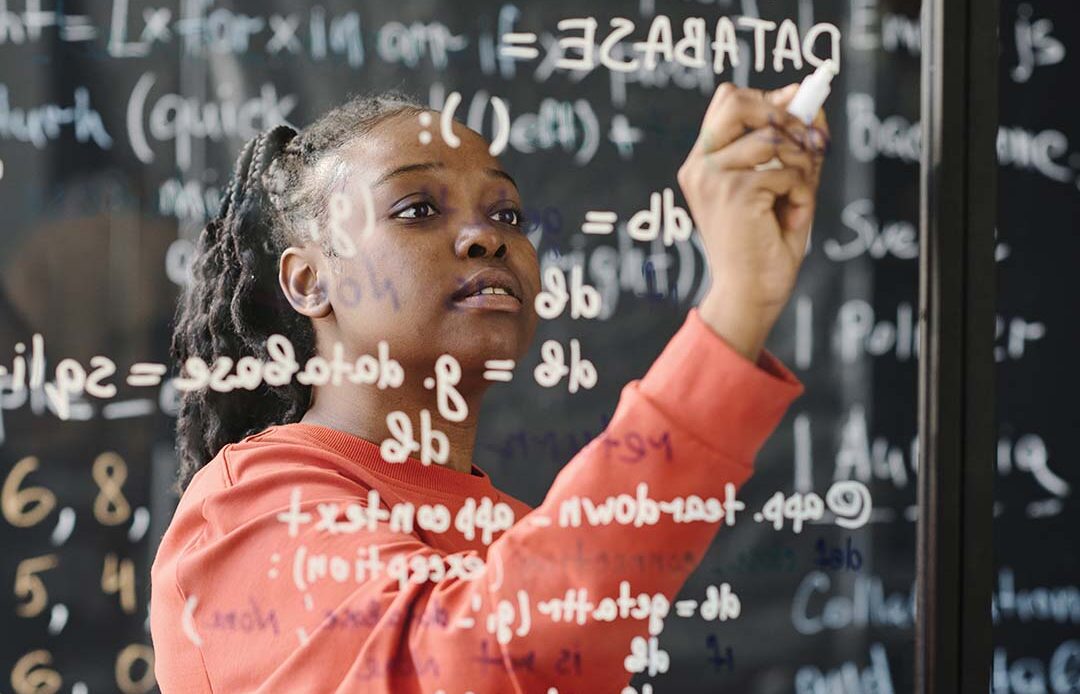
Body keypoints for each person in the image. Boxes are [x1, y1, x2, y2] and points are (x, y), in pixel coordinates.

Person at [150, 83, 828, 692]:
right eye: (416, 209)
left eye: (507, 216)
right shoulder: (250, 508)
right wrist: (735, 308)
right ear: (308, 281)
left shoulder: (519, 534)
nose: (485, 238)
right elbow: (479, 658)